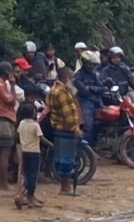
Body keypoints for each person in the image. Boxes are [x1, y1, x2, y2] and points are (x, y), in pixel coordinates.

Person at [46, 67, 83, 195]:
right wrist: (76, 129)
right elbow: (68, 115)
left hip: (59, 128)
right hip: (66, 129)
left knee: (62, 158)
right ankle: (65, 187)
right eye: (71, 77)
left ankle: (65, 185)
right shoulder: (62, 92)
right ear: (66, 78)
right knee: (66, 160)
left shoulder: (55, 90)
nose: (73, 80)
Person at [15, 103, 51, 209]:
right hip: (34, 152)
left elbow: (18, 134)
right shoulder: (35, 125)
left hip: (24, 151)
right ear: (33, 113)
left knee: (27, 174)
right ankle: (20, 194)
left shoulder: (21, 123)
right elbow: (41, 138)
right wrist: (50, 144)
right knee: (32, 177)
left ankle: (30, 199)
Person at [0, 62, 18, 189]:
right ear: (7, 72)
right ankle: (3, 183)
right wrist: (13, 85)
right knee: (4, 154)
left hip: (2, 121)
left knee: (4, 154)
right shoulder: (0, 85)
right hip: (3, 121)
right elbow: (12, 101)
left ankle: (3, 182)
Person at [74, 51, 104, 145]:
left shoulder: (95, 75)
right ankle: (86, 150)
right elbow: (84, 92)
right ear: (84, 63)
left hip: (97, 103)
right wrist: (95, 89)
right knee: (88, 126)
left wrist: (91, 88)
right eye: (90, 64)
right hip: (85, 103)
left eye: (93, 64)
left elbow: (102, 88)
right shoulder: (78, 75)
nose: (92, 66)